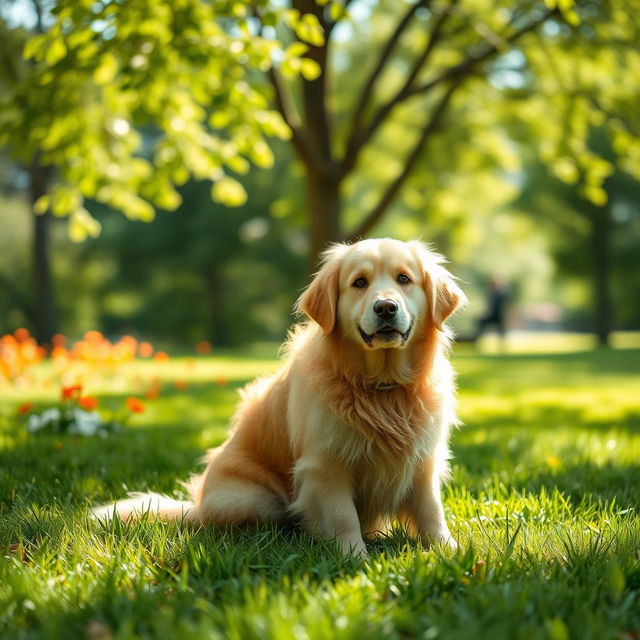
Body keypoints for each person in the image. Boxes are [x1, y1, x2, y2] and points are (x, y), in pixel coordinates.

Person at [475, 275, 509, 341]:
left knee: (501, 330)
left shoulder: (501, 293)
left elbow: (504, 305)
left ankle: (502, 342)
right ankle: (477, 340)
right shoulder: (493, 293)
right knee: (480, 323)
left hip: (499, 316)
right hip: (492, 315)